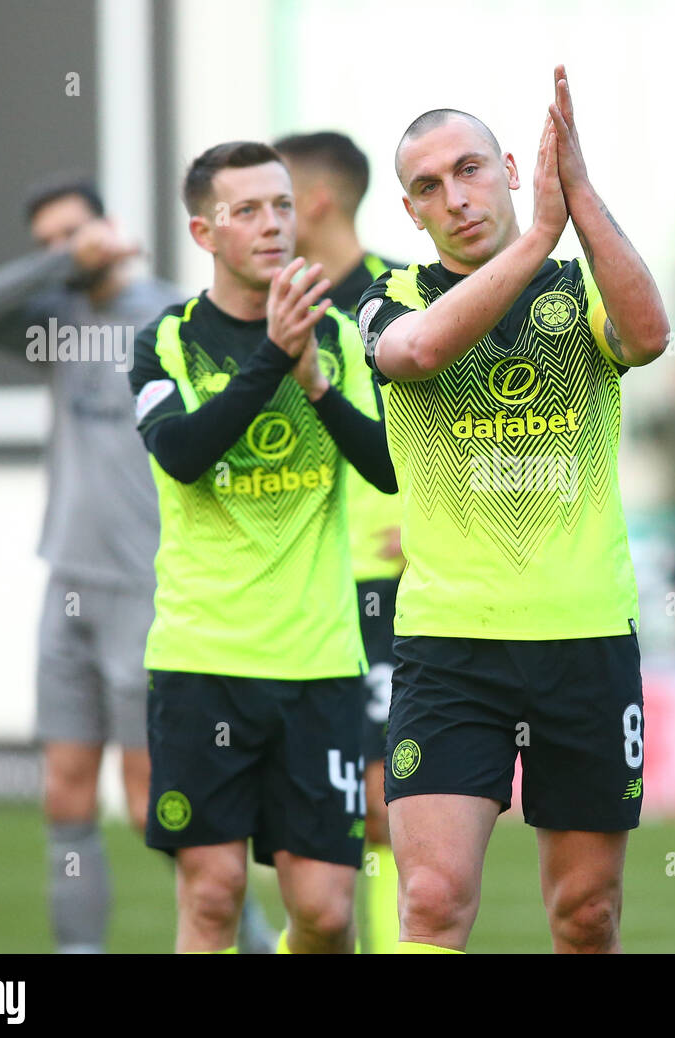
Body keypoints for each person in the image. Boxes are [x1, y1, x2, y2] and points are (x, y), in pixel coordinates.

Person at [358, 66, 671, 954]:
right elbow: (413, 354)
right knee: (431, 899)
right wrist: (539, 233)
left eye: (469, 170)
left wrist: (579, 196)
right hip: (450, 648)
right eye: (428, 187)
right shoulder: (389, 298)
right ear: (410, 211)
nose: (454, 197)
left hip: (585, 639)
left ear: (508, 167)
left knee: (586, 917)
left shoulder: (581, 288)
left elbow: (648, 336)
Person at [0, 177, 275, 953]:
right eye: (48, 240)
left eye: (75, 232)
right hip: (67, 579)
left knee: (151, 800)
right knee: (63, 792)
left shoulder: (169, 316)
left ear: (112, 228)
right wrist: (58, 263)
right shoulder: (54, 322)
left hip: (145, 588)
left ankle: (252, 937)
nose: (63, 249)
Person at [128, 141, 396, 953]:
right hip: (203, 659)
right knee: (212, 896)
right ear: (205, 232)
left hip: (318, 665)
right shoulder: (165, 342)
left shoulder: (343, 337)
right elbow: (182, 452)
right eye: (248, 210)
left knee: (324, 913)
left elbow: (386, 466)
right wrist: (275, 358)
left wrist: (314, 378)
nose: (272, 224)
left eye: (281, 205)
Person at [274, 131, 405, 953]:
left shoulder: (401, 296)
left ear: (316, 201)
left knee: (391, 808)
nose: (257, 214)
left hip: (388, 590)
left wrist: (431, 520)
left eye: (274, 196)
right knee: (324, 841)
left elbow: (466, 429)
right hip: (297, 598)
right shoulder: (272, 309)